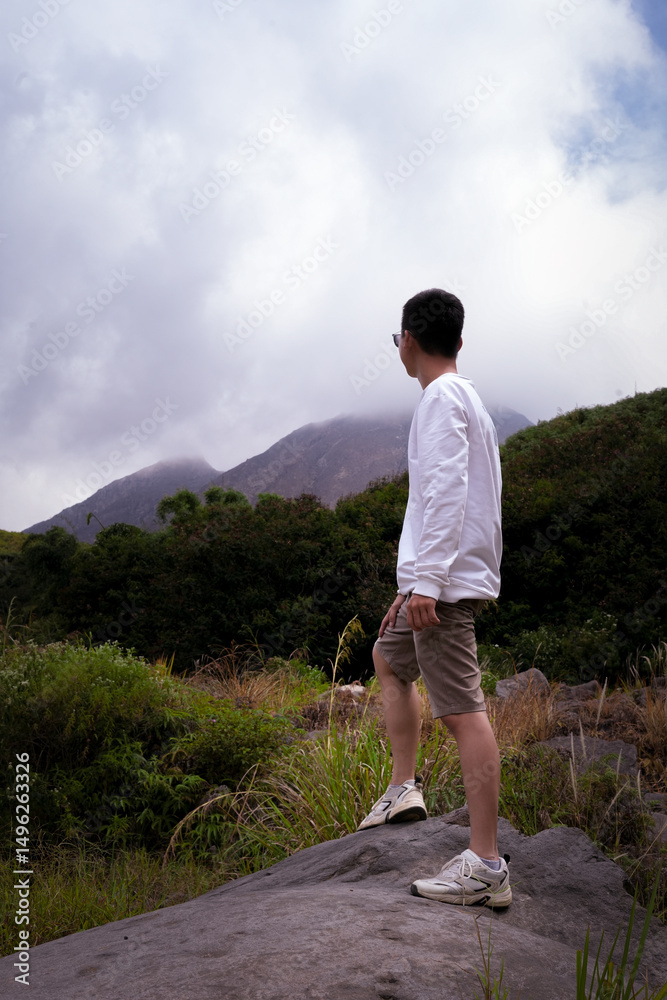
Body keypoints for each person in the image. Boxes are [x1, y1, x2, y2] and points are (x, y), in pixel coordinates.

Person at [357, 288, 511, 909]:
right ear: (460, 341)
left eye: (397, 342)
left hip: (442, 586)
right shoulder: (466, 398)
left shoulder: (440, 399)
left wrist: (429, 583)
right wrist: (413, 581)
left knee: (462, 713)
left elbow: (446, 490)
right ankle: (403, 788)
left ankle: (486, 863)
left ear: (409, 342)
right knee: (388, 659)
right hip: (433, 577)